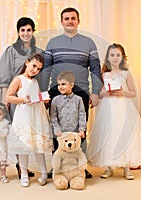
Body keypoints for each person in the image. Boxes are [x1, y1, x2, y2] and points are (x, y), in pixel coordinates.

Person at [38, 7, 102, 178]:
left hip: (81, 91)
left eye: (73, 18)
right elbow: (46, 69)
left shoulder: (89, 43)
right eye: (66, 18)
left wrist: (95, 92)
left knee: (80, 130)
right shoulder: (52, 43)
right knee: (56, 129)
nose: (70, 21)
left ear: (78, 21)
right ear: (61, 22)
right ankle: (57, 166)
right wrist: (44, 93)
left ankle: (80, 166)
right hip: (55, 91)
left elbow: (95, 69)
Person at [86, 43, 141, 180]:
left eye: (118, 55)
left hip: (123, 107)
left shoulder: (126, 74)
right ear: (108, 58)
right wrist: (106, 93)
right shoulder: (104, 74)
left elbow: (133, 93)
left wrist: (122, 93)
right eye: (112, 55)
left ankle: (127, 167)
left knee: (123, 134)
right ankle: (109, 166)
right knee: (109, 134)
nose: (115, 58)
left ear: (122, 57)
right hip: (108, 108)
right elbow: (99, 93)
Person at [0, 17, 42, 178]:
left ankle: (26, 165)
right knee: (18, 131)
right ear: (18, 32)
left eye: (28, 30)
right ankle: (19, 166)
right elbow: (4, 73)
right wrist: (5, 98)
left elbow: (41, 77)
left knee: (29, 131)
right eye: (22, 30)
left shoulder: (38, 52)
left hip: (32, 99)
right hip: (15, 97)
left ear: (33, 31)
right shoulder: (11, 51)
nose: (25, 33)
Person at [6, 53, 53, 187]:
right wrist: (23, 100)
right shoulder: (19, 79)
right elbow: (8, 97)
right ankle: (24, 174)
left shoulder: (35, 81)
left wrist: (42, 99)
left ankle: (44, 173)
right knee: (24, 146)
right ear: (27, 63)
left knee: (38, 144)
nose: (35, 70)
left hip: (36, 115)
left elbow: (35, 97)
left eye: (38, 69)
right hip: (24, 114)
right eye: (33, 66)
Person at [50, 71, 86, 141]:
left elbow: (82, 115)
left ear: (71, 85)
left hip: (75, 133)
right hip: (60, 133)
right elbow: (53, 116)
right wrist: (56, 128)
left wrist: (82, 129)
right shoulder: (55, 100)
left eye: (63, 84)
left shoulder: (78, 99)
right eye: (59, 84)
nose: (60, 87)